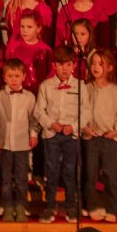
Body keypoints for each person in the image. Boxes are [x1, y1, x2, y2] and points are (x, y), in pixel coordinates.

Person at [81, 49, 117, 222]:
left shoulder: (115, 91)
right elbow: (80, 111)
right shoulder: (86, 88)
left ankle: (112, 208)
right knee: (90, 174)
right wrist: (85, 128)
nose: (95, 67)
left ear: (109, 67)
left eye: (100, 64)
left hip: (109, 139)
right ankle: (91, 206)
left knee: (111, 175)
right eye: (93, 63)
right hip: (92, 138)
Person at [36, 46, 82, 223]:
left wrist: (74, 126)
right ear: (54, 65)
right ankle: (50, 206)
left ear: (74, 65)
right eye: (60, 64)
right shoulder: (46, 86)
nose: (64, 68)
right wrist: (51, 124)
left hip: (71, 135)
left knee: (70, 171)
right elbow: (39, 111)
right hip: (52, 135)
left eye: (68, 64)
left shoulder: (80, 86)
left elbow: (85, 111)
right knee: (52, 171)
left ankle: (71, 206)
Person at [0, 58, 38, 222]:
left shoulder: (29, 97)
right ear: (4, 77)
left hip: (22, 144)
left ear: (24, 76)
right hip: (4, 144)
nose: (13, 79)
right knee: (5, 179)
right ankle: (7, 207)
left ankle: (20, 207)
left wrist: (33, 135)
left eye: (17, 76)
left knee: (21, 179)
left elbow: (34, 119)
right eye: (10, 76)